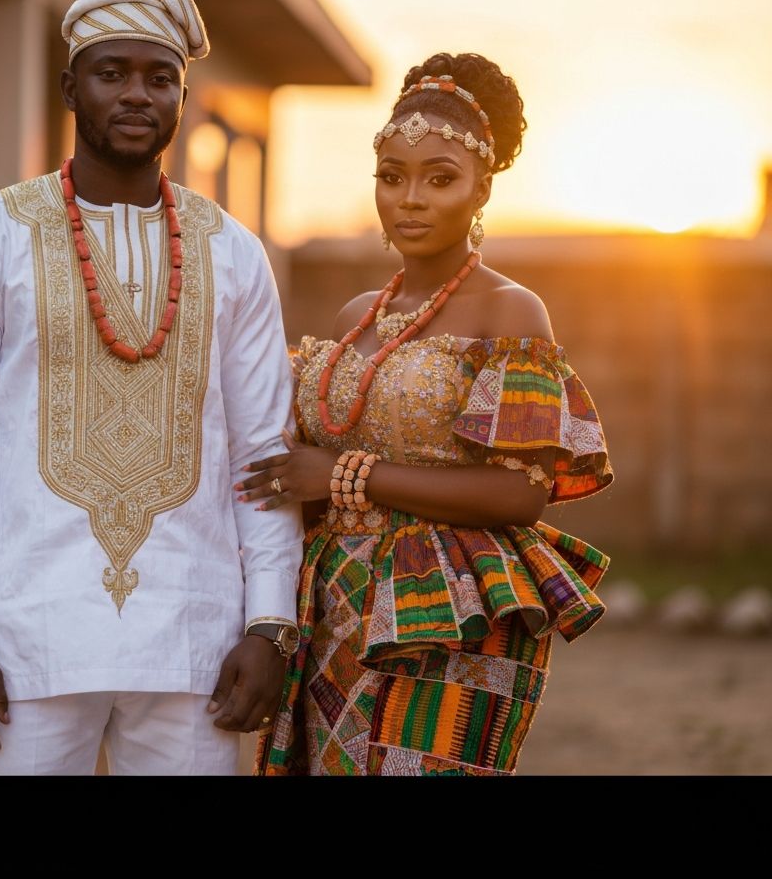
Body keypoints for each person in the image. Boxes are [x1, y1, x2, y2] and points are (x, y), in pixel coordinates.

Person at [0, 0, 303, 776]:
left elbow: (266, 454)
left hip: (196, 642)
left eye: (161, 78)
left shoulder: (233, 252)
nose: (136, 94)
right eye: (111, 72)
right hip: (23, 638)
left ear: (183, 99)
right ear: (69, 86)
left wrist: (269, 624)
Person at [239, 53, 613, 776]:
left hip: (448, 613)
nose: (410, 198)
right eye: (392, 176)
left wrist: (345, 475)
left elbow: (519, 492)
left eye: (440, 178)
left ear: (482, 190)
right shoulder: (355, 317)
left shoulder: (511, 312)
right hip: (334, 607)